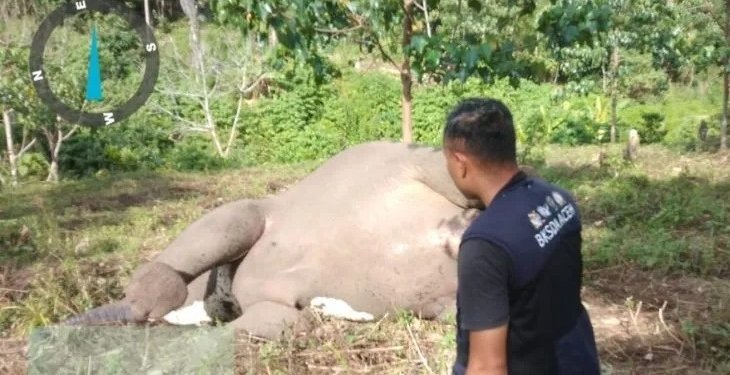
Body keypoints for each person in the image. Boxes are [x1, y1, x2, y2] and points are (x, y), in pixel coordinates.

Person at [442, 98, 601, 375]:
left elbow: (487, 367)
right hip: (573, 359)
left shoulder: (485, 245)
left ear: (460, 162)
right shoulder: (557, 198)